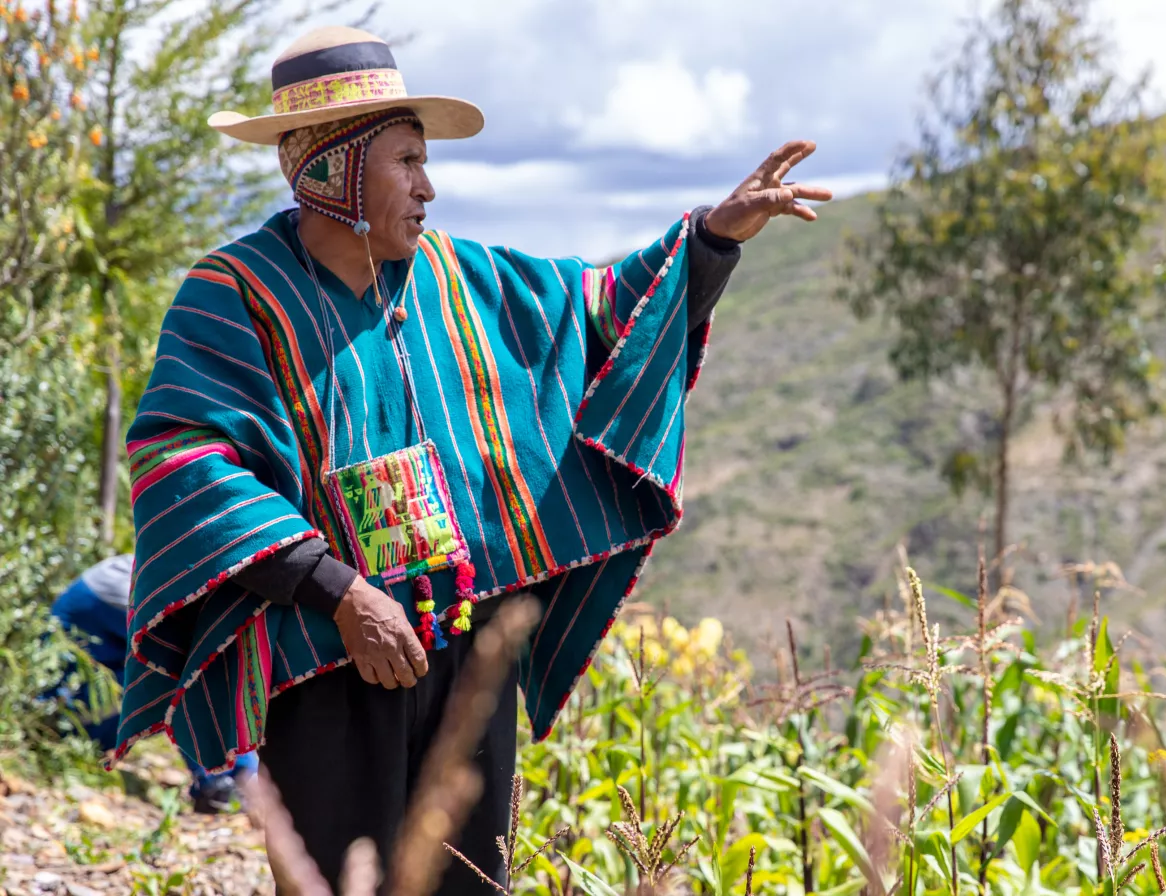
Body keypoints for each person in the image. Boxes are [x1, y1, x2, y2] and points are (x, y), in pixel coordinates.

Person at [108, 24, 832, 894]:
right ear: (333, 169)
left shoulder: (465, 278)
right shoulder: (235, 297)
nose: (429, 187)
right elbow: (184, 456)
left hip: (464, 646)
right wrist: (337, 591)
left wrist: (714, 237)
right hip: (326, 656)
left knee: (465, 878)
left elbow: (604, 316)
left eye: (424, 162)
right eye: (406, 161)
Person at [50, 555, 257, 813]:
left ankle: (232, 777)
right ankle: (220, 782)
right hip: (67, 725)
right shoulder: (128, 588)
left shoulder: (166, 573)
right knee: (180, 682)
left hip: (80, 712)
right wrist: (247, 770)